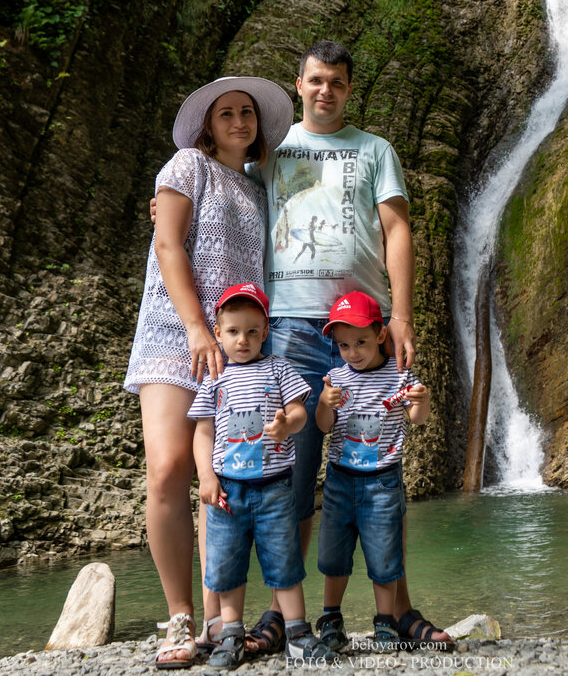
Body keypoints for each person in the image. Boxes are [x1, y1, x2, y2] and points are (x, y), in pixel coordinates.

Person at [246, 39, 454, 652]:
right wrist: (168, 202)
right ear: (298, 84)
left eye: (336, 82)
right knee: (292, 471)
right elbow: (220, 188)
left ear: (348, 89)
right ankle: (285, 613)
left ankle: (402, 609)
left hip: (360, 331)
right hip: (286, 326)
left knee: (380, 471)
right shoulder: (272, 150)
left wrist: (404, 315)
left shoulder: (374, 150)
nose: (325, 91)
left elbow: (396, 228)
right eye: (315, 80)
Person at [125, 75, 293, 668]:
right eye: (227, 113)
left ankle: (218, 619)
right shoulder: (185, 166)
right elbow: (170, 246)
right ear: (208, 122)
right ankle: (178, 618)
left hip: (235, 349)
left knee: (215, 476)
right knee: (168, 467)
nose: (240, 121)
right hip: (177, 336)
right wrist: (196, 326)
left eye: (248, 113)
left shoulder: (256, 188)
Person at [189, 283, 338, 666]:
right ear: (218, 333)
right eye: (234, 332)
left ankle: (298, 634)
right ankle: (230, 635)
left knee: (285, 563)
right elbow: (203, 430)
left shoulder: (278, 368)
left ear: (266, 332)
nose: (244, 340)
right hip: (228, 491)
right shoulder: (215, 376)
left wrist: (287, 425)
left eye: (253, 331)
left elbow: (300, 411)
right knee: (227, 565)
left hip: (274, 488)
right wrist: (206, 476)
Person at [314, 291, 431, 652]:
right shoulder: (335, 378)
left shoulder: (399, 375)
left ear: (381, 335)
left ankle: (386, 622)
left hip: (382, 481)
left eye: (361, 342)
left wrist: (422, 401)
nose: (353, 352)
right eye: (344, 345)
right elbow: (323, 426)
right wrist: (323, 403)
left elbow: (416, 418)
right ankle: (331, 618)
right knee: (333, 556)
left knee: (385, 556)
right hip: (339, 479)